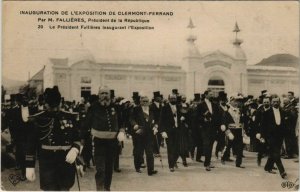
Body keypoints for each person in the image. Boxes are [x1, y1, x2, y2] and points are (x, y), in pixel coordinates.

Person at [25, 86, 82, 190]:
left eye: (56, 105)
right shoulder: (37, 119)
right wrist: (29, 166)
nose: (55, 109)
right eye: (51, 105)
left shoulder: (70, 117)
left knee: (65, 188)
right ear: (45, 104)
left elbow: (77, 138)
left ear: (60, 102)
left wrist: (75, 149)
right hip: (48, 164)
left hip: (66, 163)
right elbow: (31, 145)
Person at [81, 86, 125, 191]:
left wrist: (122, 131)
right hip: (98, 142)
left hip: (112, 142)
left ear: (110, 95)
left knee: (109, 168)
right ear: (98, 95)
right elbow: (86, 124)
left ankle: (107, 188)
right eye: (102, 93)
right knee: (100, 168)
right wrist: (82, 140)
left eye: (106, 93)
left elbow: (122, 121)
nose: (104, 96)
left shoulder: (116, 107)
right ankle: (99, 189)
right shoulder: (93, 107)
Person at [257, 95, 288, 179]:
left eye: (277, 101)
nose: (275, 103)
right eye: (274, 101)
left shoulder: (283, 112)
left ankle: (267, 167)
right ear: (271, 102)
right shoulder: (266, 113)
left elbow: (284, 125)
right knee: (276, 153)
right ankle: (282, 171)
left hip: (280, 136)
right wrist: (262, 136)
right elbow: (263, 126)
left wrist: (285, 134)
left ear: (279, 102)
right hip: (270, 136)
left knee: (273, 153)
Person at [129, 95, 158, 175]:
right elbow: (131, 119)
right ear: (140, 102)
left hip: (149, 134)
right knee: (138, 152)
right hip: (139, 133)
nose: (145, 103)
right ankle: (137, 167)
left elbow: (156, 119)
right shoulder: (136, 109)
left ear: (149, 102)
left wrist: (156, 126)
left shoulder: (152, 109)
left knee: (150, 152)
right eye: (143, 101)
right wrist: (134, 125)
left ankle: (150, 170)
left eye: (146, 101)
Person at [7, 93, 30, 181]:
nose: (25, 101)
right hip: (20, 138)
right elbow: (12, 125)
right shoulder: (14, 111)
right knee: (22, 155)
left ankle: (27, 172)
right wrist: (13, 137)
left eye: (26, 99)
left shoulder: (32, 109)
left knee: (29, 156)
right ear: (19, 102)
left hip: (30, 137)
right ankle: (24, 173)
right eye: (23, 99)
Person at [196, 89, 221, 171]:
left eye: (212, 94)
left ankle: (208, 162)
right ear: (205, 95)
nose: (212, 96)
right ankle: (207, 163)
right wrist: (203, 120)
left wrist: (218, 128)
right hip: (204, 128)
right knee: (206, 145)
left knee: (210, 146)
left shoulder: (215, 105)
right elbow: (196, 117)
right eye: (210, 94)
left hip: (213, 129)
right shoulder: (200, 105)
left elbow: (217, 116)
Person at [220, 94, 246, 168]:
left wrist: (243, 131)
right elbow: (224, 123)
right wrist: (228, 132)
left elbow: (241, 121)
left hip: (238, 130)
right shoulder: (227, 111)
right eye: (234, 101)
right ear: (230, 102)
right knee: (228, 146)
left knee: (240, 147)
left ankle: (238, 163)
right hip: (231, 130)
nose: (236, 103)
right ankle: (223, 157)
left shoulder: (239, 110)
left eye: (237, 101)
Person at [159, 94, 180, 172]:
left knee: (178, 149)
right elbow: (161, 120)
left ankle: (174, 161)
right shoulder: (165, 108)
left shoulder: (179, 107)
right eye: (171, 98)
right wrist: (162, 131)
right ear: (169, 99)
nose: (173, 100)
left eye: (174, 98)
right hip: (169, 131)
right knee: (170, 148)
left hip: (178, 130)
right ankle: (171, 165)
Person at [150, 91, 163, 157]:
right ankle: (154, 151)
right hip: (154, 124)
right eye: (159, 97)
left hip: (160, 123)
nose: (160, 98)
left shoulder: (161, 105)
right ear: (155, 98)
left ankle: (157, 151)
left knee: (159, 138)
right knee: (154, 138)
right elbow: (151, 115)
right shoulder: (151, 106)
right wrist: (154, 123)